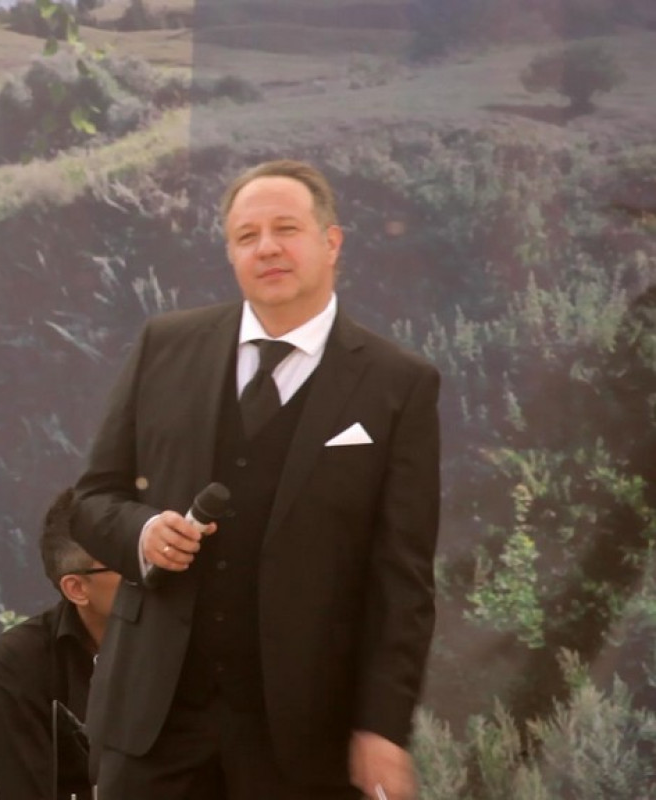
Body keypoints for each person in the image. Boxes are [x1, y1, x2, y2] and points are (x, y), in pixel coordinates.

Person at [72, 160, 440, 799]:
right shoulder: (165, 345)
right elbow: (92, 500)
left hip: (302, 737)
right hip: (153, 727)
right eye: (247, 235)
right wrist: (143, 534)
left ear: (331, 242)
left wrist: (382, 727)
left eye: (285, 229)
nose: (266, 247)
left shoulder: (397, 384)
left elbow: (400, 579)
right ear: (230, 253)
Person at [0, 488, 120, 800]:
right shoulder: (19, 665)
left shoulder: (197, 646)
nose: (154, 571)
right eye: (130, 563)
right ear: (77, 588)